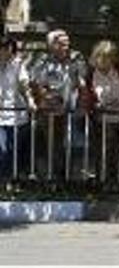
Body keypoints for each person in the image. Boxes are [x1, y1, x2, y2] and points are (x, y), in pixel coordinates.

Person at [29, 29, 88, 178]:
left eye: (67, 44)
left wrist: (81, 104)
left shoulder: (76, 58)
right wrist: (46, 97)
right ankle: (52, 177)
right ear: (51, 45)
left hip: (70, 110)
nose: (65, 47)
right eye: (61, 44)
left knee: (70, 145)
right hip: (49, 110)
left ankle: (68, 178)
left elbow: (82, 83)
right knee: (51, 145)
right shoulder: (43, 60)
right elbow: (35, 83)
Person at [82, 40, 119, 181]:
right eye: (103, 56)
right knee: (103, 150)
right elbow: (87, 96)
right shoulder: (91, 75)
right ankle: (103, 180)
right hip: (100, 119)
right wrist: (95, 105)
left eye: (110, 56)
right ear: (96, 57)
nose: (107, 60)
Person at [0, 34, 35, 180]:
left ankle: (9, 181)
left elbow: (24, 85)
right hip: (1, 115)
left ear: (9, 49)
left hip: (16, 116)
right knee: (2, 148)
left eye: (3, 48)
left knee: (11, 150)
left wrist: (30, 101)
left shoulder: (18, 64)